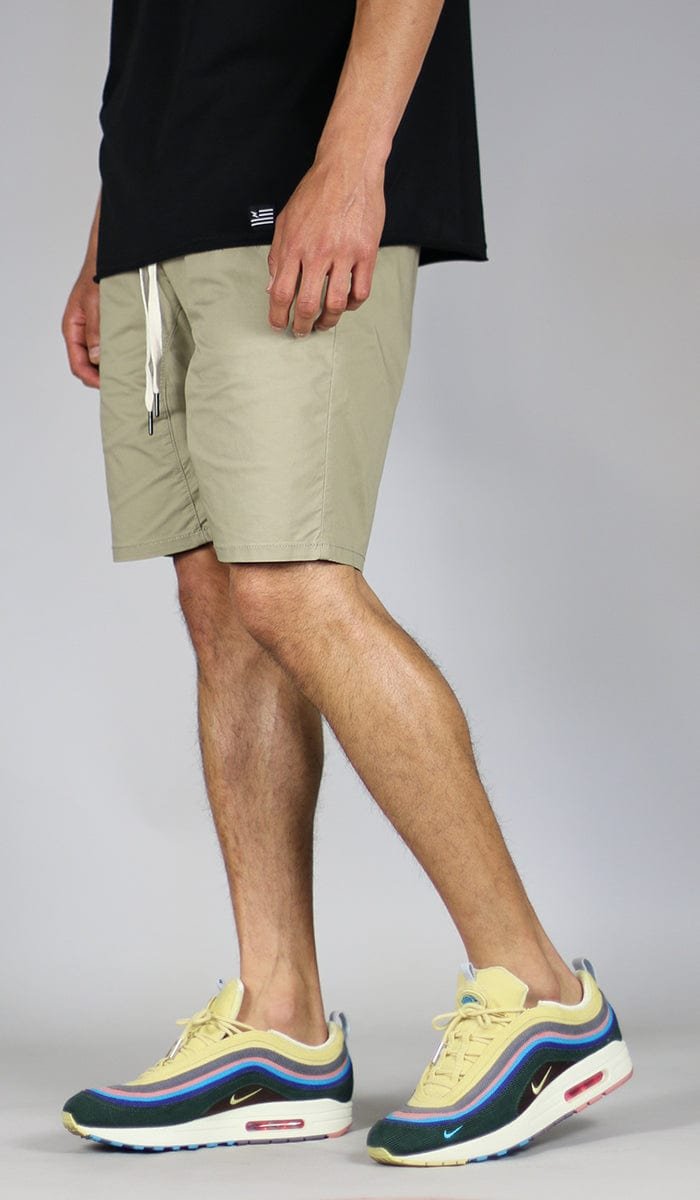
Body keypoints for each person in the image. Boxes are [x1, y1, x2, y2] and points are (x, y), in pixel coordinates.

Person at [60, 0, 632, 1165]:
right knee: (219, 602)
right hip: (157, 222)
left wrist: (353, 156)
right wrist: (110, 238)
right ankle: (281, 1026)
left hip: (286, 180)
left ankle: (540, 997)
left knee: (288, 581)